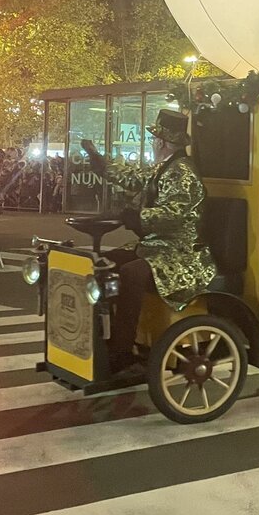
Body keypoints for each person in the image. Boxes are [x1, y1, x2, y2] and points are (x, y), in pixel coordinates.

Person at [80, 109, 217, 375]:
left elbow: (175, 215)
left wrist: (135, 217)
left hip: (181, 253)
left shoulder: (183, 173)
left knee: (132, 274)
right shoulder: (163, 168)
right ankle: (110, 338)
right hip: (156, 247)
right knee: (107, 263)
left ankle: (122, 351)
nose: (153, 144)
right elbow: (132, 178)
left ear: (163, 143)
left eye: (155, 139)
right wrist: (98, 160)